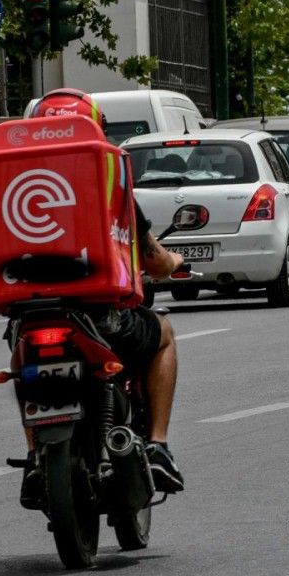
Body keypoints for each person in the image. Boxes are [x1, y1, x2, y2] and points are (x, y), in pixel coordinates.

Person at [17, 89, 186, 505]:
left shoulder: (11, 182)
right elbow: (152, 259)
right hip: (102, 318)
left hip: (31, 317)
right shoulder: (108, 179)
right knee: (163, 334)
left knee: (25, 365)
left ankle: (35, 456)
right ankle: (158, 445)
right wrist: (174, 261)